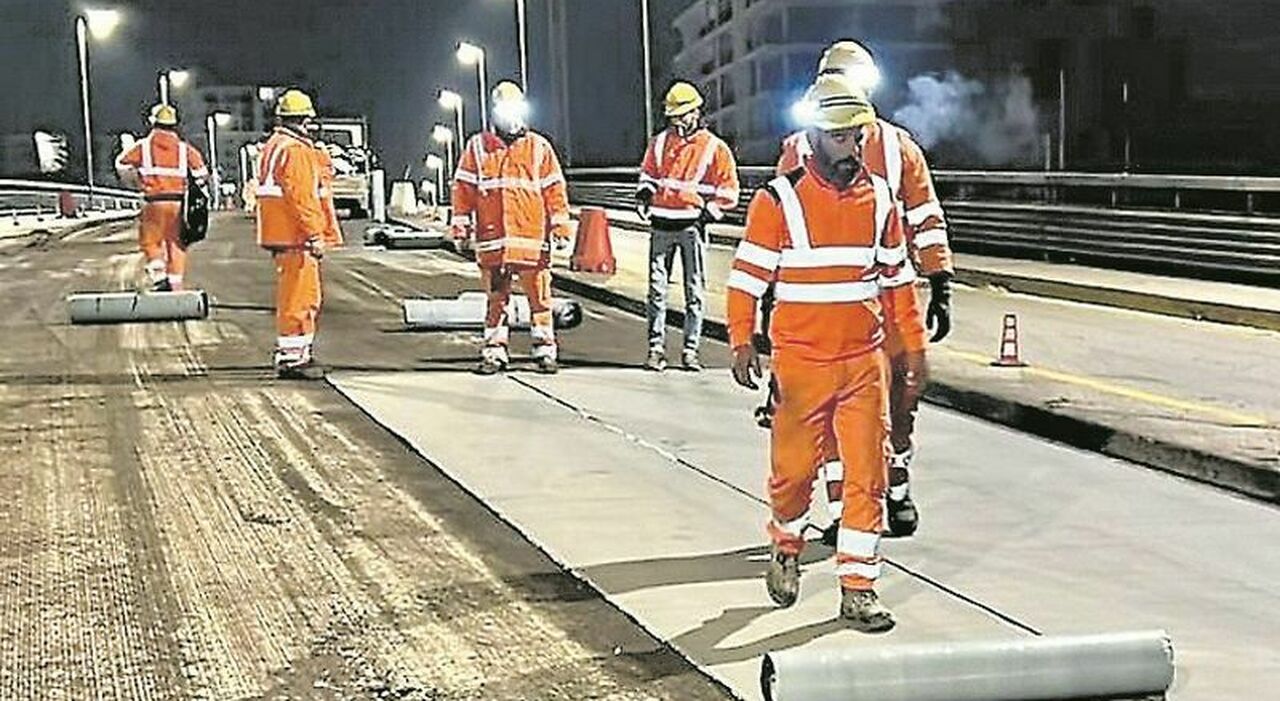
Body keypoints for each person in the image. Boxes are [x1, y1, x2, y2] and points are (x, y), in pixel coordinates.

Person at [727, 76, 926, 630]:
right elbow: (746, 281)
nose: (853, 149)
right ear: (813, 137)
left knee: (868, 476)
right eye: (840, 139)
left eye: (858, 137)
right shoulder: (778, 201)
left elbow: (897, 283)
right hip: (800, 364)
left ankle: (858, 587)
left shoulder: (882, 198)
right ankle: (786, 541)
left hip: (863, 364)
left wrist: (909, 347)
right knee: (793, 475)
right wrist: (742, 339)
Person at [773, 40, 952, 541]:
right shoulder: (797, 149)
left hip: (886, 297)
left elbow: (924, 216)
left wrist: (939, 280)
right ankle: (843, 510)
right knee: (835, 413)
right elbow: (779, 221)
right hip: (829, 307)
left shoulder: (899, 148)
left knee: (899, 401)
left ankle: (894, 487)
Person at [452, 80, 571, 375]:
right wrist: (460, 227)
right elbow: (463, 190)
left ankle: (544, 349)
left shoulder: (538, 148)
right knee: (496, 299)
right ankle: (494, 351)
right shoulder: (478, 148)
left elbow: (554, 189)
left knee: (540, 299)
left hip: (531, 241)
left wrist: (560, 226)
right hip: (495, 242)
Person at [636, 81, 740, 372]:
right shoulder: (659, 143)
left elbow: (729, 190)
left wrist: (709, 213)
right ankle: (656, 349)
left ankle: (690, 350)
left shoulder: (714, 148)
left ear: (696, 112)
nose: (677, 121)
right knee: (657, 291)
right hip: (660, 224)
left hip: (691, 227)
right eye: (673, 116)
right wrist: (645, 192)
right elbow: (648, 174)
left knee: (694, 292)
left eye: (681, 115)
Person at [254, 89, 343, 379]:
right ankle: (293, 358)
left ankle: (296, 353)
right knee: (301, 297)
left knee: (297, 294)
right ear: (306, 119)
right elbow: (302, 197)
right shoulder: (296, 150)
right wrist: (316, 234)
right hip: (296, 236)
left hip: (280, 231)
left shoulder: (274, 146)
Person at [114, 103, 208, 291]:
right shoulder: (184, 149)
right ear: (174, 125)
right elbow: (202, 173)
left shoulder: (142, 147)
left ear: (152, 123)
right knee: (177, 244)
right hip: (179, 204)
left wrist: (135, 181)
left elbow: (121, 164)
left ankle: (159, 278)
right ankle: (176, 286)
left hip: (153, 203)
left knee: (151, 241)